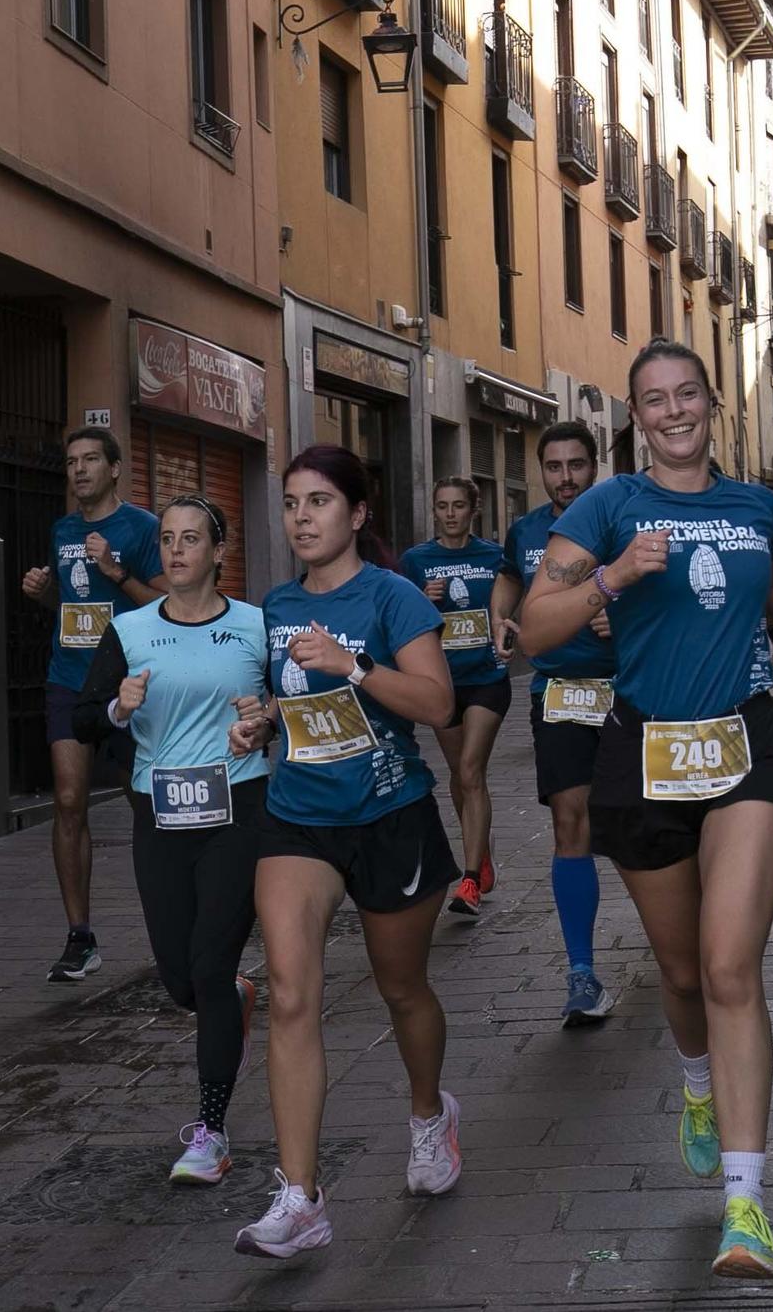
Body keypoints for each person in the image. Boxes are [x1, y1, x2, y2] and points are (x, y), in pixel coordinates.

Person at [518, 340, 773, 1280]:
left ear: (709, 404)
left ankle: (746, 1206)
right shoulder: (606, 506)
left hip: (750, 744)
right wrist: (612, 577)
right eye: (654, 400)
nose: (674, 412)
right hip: (645, 752)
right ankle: (697, 1080)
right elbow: (534, 628)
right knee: (682, 971)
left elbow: (768, 584)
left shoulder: (752, 504)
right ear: (636, 417)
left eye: (687, 394)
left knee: (729, 962)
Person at [229, 445, 464, 1260]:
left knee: (402, 990)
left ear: (358, 514)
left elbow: (438, 703)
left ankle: (430, 1114)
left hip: (390, 815)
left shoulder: (394, 597)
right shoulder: (277, 604)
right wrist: (259, 722)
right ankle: (301, 1198)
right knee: (292, 993)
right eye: (292, 503)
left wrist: (352, 663)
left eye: (320, 501)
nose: (302, 517)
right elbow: (289, 701)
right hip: (298, 818)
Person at [71, 495, 267, 1185]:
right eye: (167, 539)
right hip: (159, 813)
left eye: (192, 539)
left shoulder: (255, 626)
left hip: (238, 808)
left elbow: (291, 703)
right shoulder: (129, 631)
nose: (178, 550)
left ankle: (211, 1131)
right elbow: (83, 719)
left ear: (219, 552)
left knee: (208, 968)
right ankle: (233, 1000)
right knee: (182, 980)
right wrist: (118, 708)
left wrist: (265, 717)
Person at [20, 427, 166, 982]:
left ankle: (169, 921)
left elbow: (166, 603)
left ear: (114, 469)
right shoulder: (63, 530)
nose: (78, 470)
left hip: (128, 681)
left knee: (143, 803)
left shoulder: (142, 528)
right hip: (69, 679)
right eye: (71, 461)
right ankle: (80, 937)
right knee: (67, 801)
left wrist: (118, 572)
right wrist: (44, 594)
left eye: (89, 460)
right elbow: (70, 604)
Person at [497, 420, 619, 1025]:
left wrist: (621, 618)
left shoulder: (623, 522)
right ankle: (581, 973)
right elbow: (509, 578)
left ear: (594, 466)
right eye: (553, 466)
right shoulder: (526, 531)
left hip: (629, 694)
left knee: (639, 827)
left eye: (576, 465)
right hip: (560, 693)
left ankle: (684, 939)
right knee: (571, 822)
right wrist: (501, 616)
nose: (565, 477)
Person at [400, 479, 511, 917]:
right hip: (442, 684)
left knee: (470, 769)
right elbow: (399, 620)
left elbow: (510, 605)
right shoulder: (416, 561)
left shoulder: (494, 557)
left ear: (473, 510)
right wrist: (421, 601)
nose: (450, 514)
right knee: (459, 775)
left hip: (487, 677)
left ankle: (468, 882)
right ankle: (479, 849)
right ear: (433, 511)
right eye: (442, 506)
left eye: (458, 506)